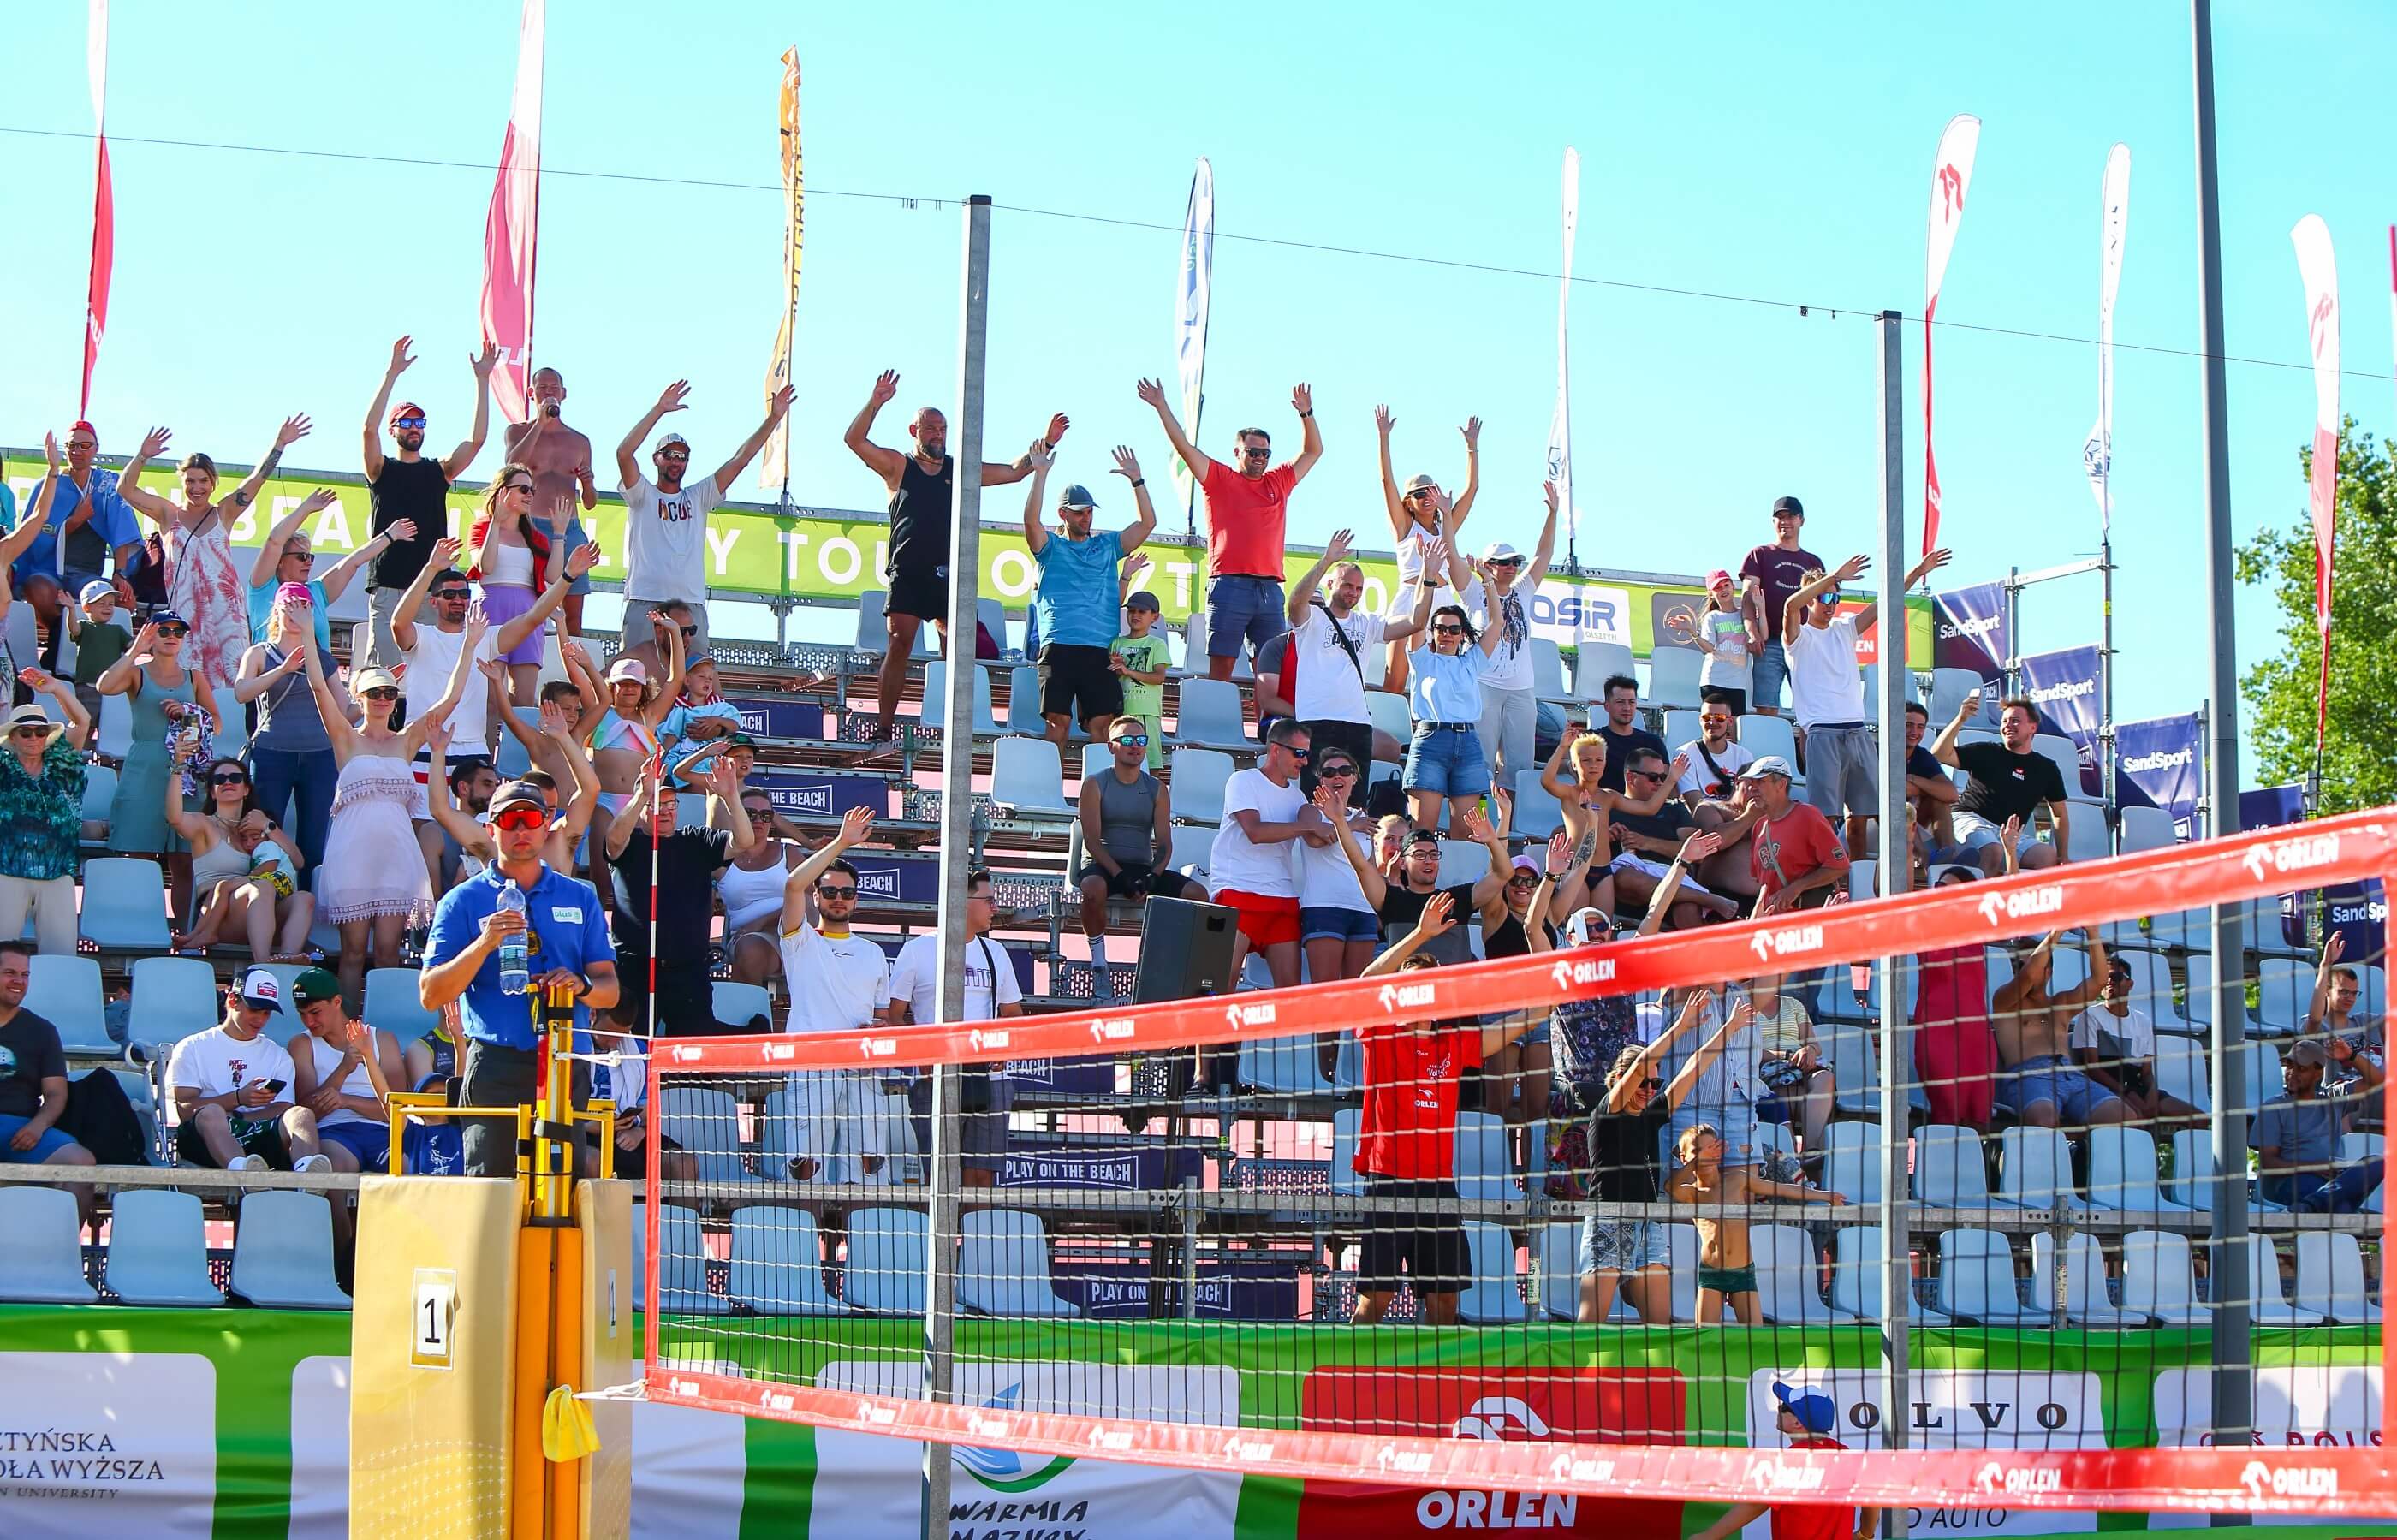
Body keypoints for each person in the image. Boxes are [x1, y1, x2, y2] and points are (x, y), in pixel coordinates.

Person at [1348, 891, 1539, 1325]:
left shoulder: (1454, 1042)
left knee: (1446, 1305)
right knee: (1373, 1303)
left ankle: (1437, 1388)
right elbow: (1365, 985)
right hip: (1389, 1186)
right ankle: (1352, 1376)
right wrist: (1420, 934)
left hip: (1438, 1188)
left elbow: (1528, 1018)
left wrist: (1549, 976)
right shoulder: (1382, 1033)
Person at [846, 370, 1063, 742]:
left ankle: (954, 726)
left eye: (942, 429)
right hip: (909, 572)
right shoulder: (900, 466)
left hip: (950, 574)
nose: (938, 435)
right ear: (914, 431)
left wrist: (1046, 442)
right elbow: (855, 440)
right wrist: (876, 402)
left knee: (956, 649)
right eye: (930, 429)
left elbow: (1013, 472)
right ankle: (884, 727)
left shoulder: (958, 469)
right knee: (898, 644)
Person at [420, 779, 621, 1178]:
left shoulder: (579, 896)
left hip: (565, 1061)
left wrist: (579, 985)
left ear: (547, 824)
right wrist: (484, 943)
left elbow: (610, 992)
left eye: (530, 818)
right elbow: (431, 994)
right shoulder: (462, 900)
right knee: (492, 1190)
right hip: (496, 1063)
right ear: (491, 828)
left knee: (561, 1191)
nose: (521, 830)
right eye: (509, 820)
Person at [301, 614, 485, 1004]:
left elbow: (449, 699)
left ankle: (386, 1029)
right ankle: (348, 1031)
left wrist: (469, 645)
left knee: (388, 953)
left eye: (388, 692)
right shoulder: (346, 740)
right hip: (352, 853)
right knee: (351, 954)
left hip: (397, 854)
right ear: (360, 697)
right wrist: (306, 633)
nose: (383, 699)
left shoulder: (406, 741)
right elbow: (319, 687)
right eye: (374, 693)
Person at [392, 535, 588, 880]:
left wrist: (567, 577)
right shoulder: (421, 636)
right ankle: (422, 923)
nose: (458, 600)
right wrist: (431, 568)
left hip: (473, 753)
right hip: (424, 748)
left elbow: (532, 618)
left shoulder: (485, 636)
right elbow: (398, 624)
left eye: (464, 594)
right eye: (449, 594)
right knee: (418, 837)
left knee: (479, 851)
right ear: (433, 602)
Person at [1136, 376, 1324, 681]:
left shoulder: (1278, 481)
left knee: (1271, 671)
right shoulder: (1220, 479)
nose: (1260, 458)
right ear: (1238, 452)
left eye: (1265, 453)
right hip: (1229, 585)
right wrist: (1161, 405)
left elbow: (1313, 451)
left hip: (1269, 589)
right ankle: (1212, 725)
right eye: (1253, 452)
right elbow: (1184, 447)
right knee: (1221, 667)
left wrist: (1306, 413)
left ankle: (1270, 729)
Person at [1579, 988, 1745, 1323]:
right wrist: (1680, 1027)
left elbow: (1691, 1070)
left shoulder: (1651, 1115)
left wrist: (1728, 1029)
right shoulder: (1606, 1113)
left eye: (1655, 1084)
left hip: (1646, 1220)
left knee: (1658, 1324)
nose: (1649, 1091)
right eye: (1643, 1084)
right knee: (1591, 1324)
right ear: (1620, 1081)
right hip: (1609, 1218)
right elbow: (1640, 1066)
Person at [116, 419, 314, 693]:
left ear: (213, 483)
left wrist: (279, 444)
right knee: (187, 680)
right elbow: (125, 490)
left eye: (203, 481)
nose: (197, 488)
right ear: (182, 482)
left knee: (233, 680)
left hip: (225, 612)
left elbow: (257, 479)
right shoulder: (167, 514)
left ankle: (231, 732)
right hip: (185, 612)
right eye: (190, 481)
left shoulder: (224, 512)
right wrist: (142, 456)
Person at [1781, 547, 1950, 858]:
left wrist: (1918, 569)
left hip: (1857, 732)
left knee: (1876, 813)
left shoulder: (1845, 630)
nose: (1831, 605)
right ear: (1812, 598)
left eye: (1836, 598)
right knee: (1826, 816)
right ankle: (1829, 880)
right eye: (1825, 597)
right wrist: (1833, 577)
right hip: (1822, 733)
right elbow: (1791, 606)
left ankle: (1923, 862)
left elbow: (1886, 602)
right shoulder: (1799, 637)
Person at [612, 379, 793, 652]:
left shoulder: (698, 496)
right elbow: (624, 452)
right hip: (645, 599)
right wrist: (659, 409)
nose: (676, 461)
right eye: (669, 455)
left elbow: (740, 459)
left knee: (694, 679)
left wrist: (774, 418)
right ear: (656, 458)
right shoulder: (642, 494)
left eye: (682, 457)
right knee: (636, 676)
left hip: (689, 605)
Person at [775, 806, 895, 1183]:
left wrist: (880, 1030)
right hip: (812, 1067)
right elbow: (792, 885)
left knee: (868, 1176)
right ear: (817, 896)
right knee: (804, 1175)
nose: (838, 898)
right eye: (829, 891)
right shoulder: (799, 940)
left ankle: (861, 1244)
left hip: (863, 1072)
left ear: (857, 899)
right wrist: (843, 841)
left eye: (847, 892)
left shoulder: (874, 953)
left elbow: (885, 1018)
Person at [360, 336, 497, 666]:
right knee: (386, 673)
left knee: (434, 668)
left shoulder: (439, 471)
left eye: (419, 422)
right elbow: (368, 430)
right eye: (406, 422)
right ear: (395, 430)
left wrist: (482, 380)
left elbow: (477, 441)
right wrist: (391, 373)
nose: (414, 428)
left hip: (433, 587)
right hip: (391, 584)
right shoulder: (381, 469)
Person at [889, 867, 1026, 1186]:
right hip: (935, 1074)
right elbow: (894, 1015)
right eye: (988, 900)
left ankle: (975, 1237)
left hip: (989, 1078)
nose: (995, 908)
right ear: (962, 901)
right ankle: (943, 1239)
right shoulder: (917, 950)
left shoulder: (996, 952)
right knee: (939, 1178)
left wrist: (1004, 1047)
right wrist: (919, 1059)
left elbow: (1013, 1013)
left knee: (981, 1177)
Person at [606, 758, 755, 1038]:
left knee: (691, 1062)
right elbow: (613, 841)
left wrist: (732, 796)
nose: (663, 812)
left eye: (670, 804)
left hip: (688, 972)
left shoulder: (696, 841)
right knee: (633, 1054)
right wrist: (642, 793)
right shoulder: (629, 842)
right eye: (655, 804)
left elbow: (744, 842)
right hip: (635, 970)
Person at [1023, 443, 1156, 748]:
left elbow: (1147, 524)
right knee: (1058, 724)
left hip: (1100, 650)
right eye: (1079, 512)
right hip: (1058, 645)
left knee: (1103, 727)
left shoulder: (1107, 546)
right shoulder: (1051, 547)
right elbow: (1031, 523)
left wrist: (1137, 480)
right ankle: (1050, 793)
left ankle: (1098, 794)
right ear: (1063, 514)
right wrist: (1040, 474)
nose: (1087, 517)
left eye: (1089, 511)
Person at [1284, 528, 1432, 786]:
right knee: (1314, 799)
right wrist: (1326, 560)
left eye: (1359, 588)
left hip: (1357, 724)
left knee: (1356, 807)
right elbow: (1295, 603)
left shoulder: (1367, 623)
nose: (1353, 592)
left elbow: (1416, 622)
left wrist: (1428, 576)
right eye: (1347, 585)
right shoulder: (1312, 617)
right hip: (1316, 721)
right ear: (1331, 585)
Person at [97, 615, 221, 916]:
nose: (171, 636)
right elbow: (104, 686)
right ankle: (133, 926)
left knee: (183, 860)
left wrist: (189, 711)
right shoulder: (137, 674)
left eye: (178, 632)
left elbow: (216, 723)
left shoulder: (194, 677)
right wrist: (135, 650)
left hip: (186, 770)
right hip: (146, 766)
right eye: (163, 631)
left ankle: (182, 932)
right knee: (138, 856)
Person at [1076, 717, 1205, 1002]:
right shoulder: (1095, 784)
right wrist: (1119, 875)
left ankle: (1184, 972)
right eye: (1126, 740)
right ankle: (1099, 964)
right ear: (1111, 747)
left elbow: (1165, 844)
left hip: (1141, 867)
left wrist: (1154, 875)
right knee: (1093, 891)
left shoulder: (1157, 788)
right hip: (1103, 866)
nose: (1134, 746)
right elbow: (1092, 842)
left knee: (1198, 894)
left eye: (1141, 741)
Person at [1667, 1120, 1844, 1324]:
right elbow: (1672, 1187)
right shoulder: (1691, 1192)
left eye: (1710, 1148)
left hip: (1743, 1272)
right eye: (1697, 1150)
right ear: (1684, 1157)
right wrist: (1696, 1162)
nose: (1705, 1154)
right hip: (1712, 1274)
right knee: (1705, 1336)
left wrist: (1825, 1196)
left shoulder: (1737, 1179)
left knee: (1754, 1338)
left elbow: (1784, 1189)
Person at [1449, 482, 1561, 795]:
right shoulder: (1473, 592)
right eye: (1504, 562)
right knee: (1481, 763)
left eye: (1515, 562)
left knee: (1520, 765)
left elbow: (1544, 554)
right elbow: (1452, 558)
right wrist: (1447, 517)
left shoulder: (1523, 590)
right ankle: (1482, 825)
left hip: (1521, 688)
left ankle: (1511, 826)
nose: (1512, 568)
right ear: (1488, 566)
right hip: (1483, 684)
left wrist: (1552, 513)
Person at [1206, 720, 1333, 990]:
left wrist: (1350, 824)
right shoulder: (1243, 780)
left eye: (1307, 754)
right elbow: (1255, 832)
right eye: (1299, 753)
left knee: (1290, 993)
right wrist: (1309, 825)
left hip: (1282, 899)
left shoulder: (1298, 797)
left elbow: (1317, 839)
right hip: (1238, 891)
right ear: (1275, 750)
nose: (1304, 761)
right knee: (1221, 987)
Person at [166, 969, 332, 1174]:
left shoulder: (278, 1055)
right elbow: (185, 1108)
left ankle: (307, 1173)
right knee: (211, 1113)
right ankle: (242, 1172)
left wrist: (240, 1117)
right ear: (233, 1000)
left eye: (266, 1012)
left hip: (257, 1135)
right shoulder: (192, 1047)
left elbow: (284, 1106)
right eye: (255, 1009)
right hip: (206, 1140)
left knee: (301, 1114)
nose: (260, 1020)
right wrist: (238, 1098)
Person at [1474, 829, 1571, 1161]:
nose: (1522, 886)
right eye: (1516, 880)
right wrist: (1500, 827)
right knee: (1498, 1108)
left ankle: (1533, 1189)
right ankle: (1498, 1180)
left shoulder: (1550, 917)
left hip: (1541, 1014)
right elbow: (1495, 870)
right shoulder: (1495, 914)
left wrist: (1589, 821)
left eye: (1530, 881)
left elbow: (1584, 869)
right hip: (1501, 1013)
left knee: (1537, 1112)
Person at [164, 749, 312, 963]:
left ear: (246, 789)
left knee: (304, 898)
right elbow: (174, 818)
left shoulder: (257, 828)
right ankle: (263, 964)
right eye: (219, 779)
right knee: (262, 886)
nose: (227, 782)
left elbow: (299, 861)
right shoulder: (204, 824)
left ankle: (286, 958)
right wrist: (178, 766)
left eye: (235, 778)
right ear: (212, 792)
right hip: (218, 915)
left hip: (260, 913)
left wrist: (269, 828)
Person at [1371, 404, 1478, 696]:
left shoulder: (1447, 524)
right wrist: (1383, 437)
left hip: (1443, 601)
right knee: (1396, 680)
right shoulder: (1404, 525)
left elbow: (1472, 490)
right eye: (1419, 494)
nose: (1427, 497)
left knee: (1439, 679)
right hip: (1411, 598)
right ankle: (1387, 737)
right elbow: (1387, 483)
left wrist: (1472, 447)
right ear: (1409, 501)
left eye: (1431, 490)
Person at [234, 585, 341, 871]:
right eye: (290, 606)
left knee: (314, 838)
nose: (296, 613)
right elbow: (242, 692)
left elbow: (345, 709)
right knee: (263, 833)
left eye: (303, 607)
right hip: (272, 753)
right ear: (276, 611)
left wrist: (376, 692)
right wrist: (282, 669)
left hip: (319, 755)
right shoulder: (258, 653)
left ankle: (305, 902)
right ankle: (262, 899)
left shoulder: (322, 657)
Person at [1691, 1383, 1877, 1540]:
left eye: (1784, 1408)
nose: (1778, 1409)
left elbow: (1756, 1504)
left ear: (1798, 1423)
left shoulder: (1791, 1461)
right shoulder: (1843, 1453)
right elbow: (1871, 1495)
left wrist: (1708, 1536)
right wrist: (1865, 1534)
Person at [0, 941, 96, 1223]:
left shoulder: (41, 1030)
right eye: (9, 973)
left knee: (82, 1163)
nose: (18, 981)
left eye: (25, 975)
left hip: (19, 1129)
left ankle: (59, 1253)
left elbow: (55, 1094)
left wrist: (37, 1126)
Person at [503, 366, 602, 639]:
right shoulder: (518, 432)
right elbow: (512, 465)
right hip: (532, 526)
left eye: (554, 388)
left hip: (569, 527)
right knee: (531, 609)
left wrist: (589, 483)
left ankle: (572, 672)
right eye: (543, 388)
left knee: (572, 615)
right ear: (531, 393)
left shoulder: (579, 441)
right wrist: (540, 424)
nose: (549, 393)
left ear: (564, 393)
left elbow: (591, 502)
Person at [1990, 928, 2124, 1130]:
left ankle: (2081, 1155)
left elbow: (2098, 982)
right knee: (2045, 1121)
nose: (2023, 970)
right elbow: (2028, 975)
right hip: (2030, 1076)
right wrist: (2056, 932)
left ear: (2049, 972)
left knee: (2124, 1117)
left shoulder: (2060, 1003)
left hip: (2072, 1075)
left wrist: (2093, 933)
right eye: (2019, 966)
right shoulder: (2004, 1001)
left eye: (2034, 964)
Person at [1930, 690, 2071, 876]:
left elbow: (2059, 813)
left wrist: (2063, 856)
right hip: (1969, 818)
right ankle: (1981, 900)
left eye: (2015, 721)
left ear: (2033, 727)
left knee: (2047, 857)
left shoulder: (2046, 768)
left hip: (2008, 832)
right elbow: (1938, 754)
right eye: (2004, 721)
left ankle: (2016, 900)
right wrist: (1961, 719)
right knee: (1993, 849)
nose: (2008, 726)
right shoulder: (1987, 751)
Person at [245, 488, 402, 652]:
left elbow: (353, 561)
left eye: (310, 557)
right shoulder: (262, 588)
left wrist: (390, 535)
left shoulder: (316, 591)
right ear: (280, 561)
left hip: (314, 676)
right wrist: (305, 509)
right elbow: (274, 542)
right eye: (301, 557)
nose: (309, 563)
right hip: (271, 675)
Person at [0, 679, 92, 954]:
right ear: (12, 737)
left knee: (62, 954)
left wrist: (56, 689)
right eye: (25, 733)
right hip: (7, 869)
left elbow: (83, 721)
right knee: (1, 952)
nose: (33, 738)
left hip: (57, 871)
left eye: (40, 732)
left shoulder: (62, 763)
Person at [287, 966, 405, 1177]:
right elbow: (305, 1111)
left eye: (315, 1012)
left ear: (337, 1002)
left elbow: (398, 1111)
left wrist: (346, 1100)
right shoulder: (302, 1044)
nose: (309, 1022)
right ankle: (336, 1212)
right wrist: (343, 1070)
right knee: (333, 1167)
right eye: (302, 1014)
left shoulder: (383, 1040)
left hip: (381, 1131)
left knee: (407, 1167)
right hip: (333, 1131)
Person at [1401, 596, 1506, 833]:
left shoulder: (1472, 661)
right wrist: (1427, 578)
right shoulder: (1422, 658)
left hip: (1468, 741)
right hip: (1430, 740)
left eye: (1454, 629)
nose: (1446, 634)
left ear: (1462, 634)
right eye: (1440, 628)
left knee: (1467, 835)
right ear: (1433, 632)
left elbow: (1497, 622)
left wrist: (1488, 582)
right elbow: (1416, 623)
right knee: (1422, 834)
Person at [1604, 746, 1740, 928]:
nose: (1660, 783)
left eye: (1664, 777)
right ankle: (1708, 899)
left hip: (1673, 879)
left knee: (1686, 907)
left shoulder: (1674, 809)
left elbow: (1696, 849)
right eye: (1653, 777)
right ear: (1631, 777)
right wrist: (1602, 836)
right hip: (1630, 892)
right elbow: (1565, 834)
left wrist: (1648, 843)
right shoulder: (1610, 807)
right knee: (1625, 877)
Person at [467, 462, 566, 705]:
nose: (530, 495)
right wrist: (496, 523)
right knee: (490, 697)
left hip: (528, 610)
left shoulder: (536, 537)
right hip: (491, 607)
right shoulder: (481, 527)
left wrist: (559, 534)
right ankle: (487, 744)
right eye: (523, 489)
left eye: (532, 490)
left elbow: (553, 577)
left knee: (524, 698)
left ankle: (517, 744)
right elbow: (485, 566)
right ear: (503, 491)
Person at [2073, 951, 2202, 1131]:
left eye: (2116, 977)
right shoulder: (2090, 1016)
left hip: (2135, 1087)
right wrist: (2127, 1093)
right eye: (2104, 979)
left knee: (2199, 1120)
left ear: (2130, 983)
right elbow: (2092, 1069)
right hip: (2106, 1088)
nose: (2109, 982)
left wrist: (2150, 1095)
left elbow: (2147, 1071)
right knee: (2139, 1120)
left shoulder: (2143, 1021)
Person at [1916, 858, 2001, 1130]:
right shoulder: (1924, 926)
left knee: (1978, 1119)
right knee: (1947, 1113)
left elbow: (2014, 901)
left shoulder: (1977, 927)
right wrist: (1905, 840)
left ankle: (1978, 1172)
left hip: (1975, 1035)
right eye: (1938, 886)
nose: (1939, 892)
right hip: (1936, 1032)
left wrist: (2010, 853)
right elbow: (1893, 892)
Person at [17, 421, 141, 598]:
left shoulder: (107, 485)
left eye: (85, 446)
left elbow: (121, 530)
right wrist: (75, 521)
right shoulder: (47, 485)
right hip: (47, 570)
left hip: (87, 574)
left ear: (96, 448)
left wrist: (119, 574)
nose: (77, 451)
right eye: (71, 445)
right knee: (38, 590)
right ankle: (60, 626)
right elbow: (31, 537)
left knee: (124, 600)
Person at [2252, 1041, 2379, 1212]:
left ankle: (2311, 1205)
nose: (2291, 1073)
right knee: (2342, 1207)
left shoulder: (2333, 1098)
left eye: (2301, 1069)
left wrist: (2351, 1057)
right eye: (2289, 1066)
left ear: (2318, 1073)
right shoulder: (2272, 1107)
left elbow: (2379, 1082)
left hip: (2333, 1182)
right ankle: (2317, 1204)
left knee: (2377, 1162)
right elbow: (2269, 1163)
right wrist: (2314, 1166)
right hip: (2292, 1181)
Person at [1296, 750, 1385, 995]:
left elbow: (1371, 867)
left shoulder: (1363, 817)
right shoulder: (1310, 811)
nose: (1338, 776)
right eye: (1329, 772)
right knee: (1325, 996)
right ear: (1321, 780)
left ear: (1355, 778)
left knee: (1356, 996)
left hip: (1362, 910)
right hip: (1325, 907)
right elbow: (1316, 840)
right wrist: (1349, 825)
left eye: (1345, 771)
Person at [580, 1002, 698, 1181]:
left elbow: (648, 1110)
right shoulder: (570, 1048)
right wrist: (588, 1127)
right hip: (583, 1134)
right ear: (593, 1015)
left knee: (685, 1164)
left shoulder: (638, 1051)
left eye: (621, 1035)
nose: (614, 1042)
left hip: (629, 1133)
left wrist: (639, 1131)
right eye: (609, 1033)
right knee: (592, 1161)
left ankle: (680, 1211)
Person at [1736, 495, 1823, 717]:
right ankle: (1767, 751)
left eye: (1791, 516)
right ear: (1773, 522)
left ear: (1801, 520)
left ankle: (1809, 752)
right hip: (1770, 642)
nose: (1785, 521)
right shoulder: (1760, 554)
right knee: (1766, 708)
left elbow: (1824, 601)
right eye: (1780, 517)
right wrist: (1752, 632)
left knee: (1812, 706)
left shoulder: (1814, 562)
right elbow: (1747, 596)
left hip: (1805, 642)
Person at [1676, 697, 1762, 905]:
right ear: (1699, 720)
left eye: (1719, 717)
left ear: (1730, 721)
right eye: (1707, 717)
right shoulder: (1685, 753)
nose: (1712, 722)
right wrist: (1746, 818)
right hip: (1704, 824)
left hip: (1731, 819)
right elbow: (1698, 806)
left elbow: (1750, 794)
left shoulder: (1744, 754)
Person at [723, 786, 811, 988]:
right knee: (749, 950)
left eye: (766, 815)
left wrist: (761, 921)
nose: (758, 820)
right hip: (746, 936)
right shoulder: (722, 857)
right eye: (750, 814)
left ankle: (752, 1014)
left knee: (750, 951)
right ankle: (749, 1015)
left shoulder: (789, 854)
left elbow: (809, 903)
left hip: (791, 932)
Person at [1740, 757, 1849, 916]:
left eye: (1761, 781)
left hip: (1807, 921)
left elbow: (1840, 866)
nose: (1752, 788)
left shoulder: (1807, 815)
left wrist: (1797, 887)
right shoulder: (1759, 826)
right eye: (1751, 782)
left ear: (1781, 784)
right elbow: (1760, 881)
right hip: (1773, 923)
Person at [1748, 970, 1834, 1157]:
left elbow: (1814, 1044)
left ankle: (1810, 1150)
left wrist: (1808, 1050)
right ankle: (1799, 1157)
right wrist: (1786, 1055)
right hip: (1769, 1065)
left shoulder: (1794, 1005)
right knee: (1792, 1090)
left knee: (1825, 1078)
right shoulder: (1746, 1010)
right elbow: (1748, 1050)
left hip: (1802, 1062)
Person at [1687, 568, 1764, 717]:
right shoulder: (1712, 617)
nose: (1723, 590)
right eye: (1717, 588)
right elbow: (1708, 648)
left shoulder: (1745, 615)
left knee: (1735, 723)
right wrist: (1692, 632)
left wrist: (1761, 608)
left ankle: (1733, 743)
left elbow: (1763, 635)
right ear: (1711, 593)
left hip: (1737, 683)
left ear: (1733, 586)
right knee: (1713, 721)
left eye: (1726, 585)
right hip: (1713, 680)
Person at [1110, 589, 1172, 771]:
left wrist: (1128, 671)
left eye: (1141, 612)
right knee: (1121, 762)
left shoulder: (1156, 644)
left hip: (1147, 712)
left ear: (1154, 617)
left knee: (1151, 762)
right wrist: (1116, 669)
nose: (1135, 615)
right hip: (1122, 712)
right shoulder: (1116, 643)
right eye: (1131, 611)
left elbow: (1159, 677)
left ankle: (1154, 798)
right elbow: (1111, 676)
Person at [1902, 700, 1966, 868]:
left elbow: (1951, 794)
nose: (1914, 732)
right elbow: (1891, 791)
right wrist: (1926, 789)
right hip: (1877, 824)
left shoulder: (1922, 756)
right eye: (1908, 725)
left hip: (1913, 823)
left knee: (1940, 801)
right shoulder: (1879, 750)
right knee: (1897, 804)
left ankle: (1949, 855)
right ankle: (1924, 856)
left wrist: (1915, 780)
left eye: (1920, 727)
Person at [1589, 675, 1666, 795]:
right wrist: (1570, 766)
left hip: (1646, 808)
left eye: (1631, 702)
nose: (1627, 708)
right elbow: (1563, 762)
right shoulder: (1592, 740)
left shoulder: (1652, 742)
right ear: (1607, 706)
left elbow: (1665, 781)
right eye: (1620, 702)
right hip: (1606, 808)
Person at [68, 579, 131, 726]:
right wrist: (71, 609)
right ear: (86, 608)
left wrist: (146, 639)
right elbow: (74, 629)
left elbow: (131, 645)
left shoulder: (118, 630)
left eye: (111, 604)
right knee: (85, 725)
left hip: (112, 689)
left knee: (109, 725)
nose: (107, 608)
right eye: (101, 603)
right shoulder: (84, 626)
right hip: (87, 687)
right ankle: (82, 749)